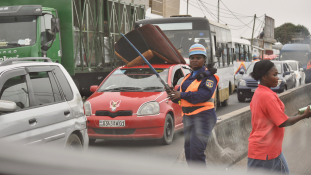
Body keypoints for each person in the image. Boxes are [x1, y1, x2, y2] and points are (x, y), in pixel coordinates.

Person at [247, 60, 311, 174]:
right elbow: (282, 121)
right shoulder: (267, 96)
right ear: (264, 76)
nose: (278, 78)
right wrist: (304, 116)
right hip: (266, 152)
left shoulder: (260, 92)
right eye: (274, 75)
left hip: (266, 150)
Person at [167, 44, 219, 165]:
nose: (194, 60)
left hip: (203, 118)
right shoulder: (187, 77)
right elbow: (182, 99)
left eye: (198, 57)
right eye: (192, 58)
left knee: (196, 154)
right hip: (188, 118)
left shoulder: (209, 77)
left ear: (204, 59)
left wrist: (181, 95)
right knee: (189, 154)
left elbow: (203, 95)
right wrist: (174, 95)